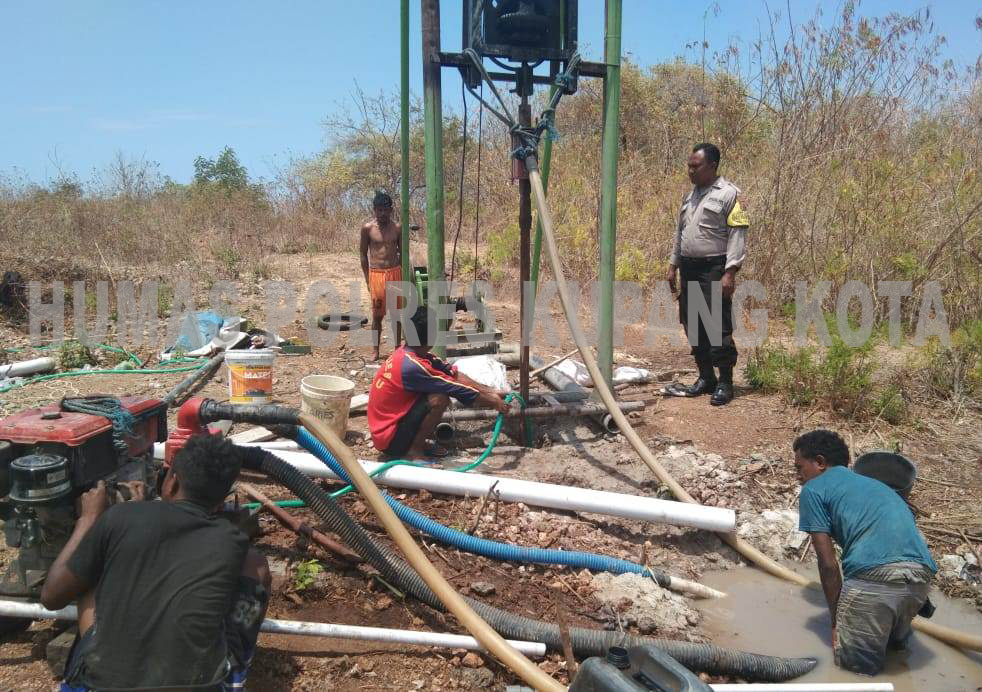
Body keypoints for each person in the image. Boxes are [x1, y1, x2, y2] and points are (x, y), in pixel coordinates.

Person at [41, 434, 271, 691]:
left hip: (102, 685)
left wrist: (89, 520)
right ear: (222, 499)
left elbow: (52, 597)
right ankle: (233, 680)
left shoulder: (119, 518)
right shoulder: (233, 540)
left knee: (91, 568)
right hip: (200, 685)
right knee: (255, 565)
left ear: (172, 481)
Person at [793, 429, 937, 676]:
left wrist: (837, 620)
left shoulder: (813, 489)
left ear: (819, 462)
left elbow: (828, 564)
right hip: (920, 579)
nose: (798, 477)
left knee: (855, 674)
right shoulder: (877, 486)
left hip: (874, 577)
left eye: (799, 468)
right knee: (895, 653)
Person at [367, 305, 510, 460]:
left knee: (438, 392)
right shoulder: (412, 366)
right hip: (389, 440)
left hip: (389, 430)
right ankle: (413, 451)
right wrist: (494, 402)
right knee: (439, 398)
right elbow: (455, 388)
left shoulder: (412, 354)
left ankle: (414, 443)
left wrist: (491, 392)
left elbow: (453, 374)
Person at [666, 143, 749, 406]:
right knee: (692, 323)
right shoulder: (690, 196)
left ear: (712, 166)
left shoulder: (730, 195)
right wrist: (673, 265)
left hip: (714, 267)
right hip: (689, 268)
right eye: (688, 165)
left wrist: (730, 272)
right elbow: (680, 233)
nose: (689, 171)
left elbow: (738, 235)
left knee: (716, 326)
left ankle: (725, 382)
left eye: (695, 166)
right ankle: (706, 377)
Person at [360, 190, 403, 361]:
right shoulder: (368, 229)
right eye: (379, 210)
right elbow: (363, 254)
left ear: (391, 210)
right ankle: (375, 350)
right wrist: (367, 278)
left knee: (396, 314)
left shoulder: (397, 228)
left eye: (386, 210)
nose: (382, 213)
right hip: (376, 275)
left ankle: (397, 348)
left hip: (394, 273)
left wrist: (404, 275)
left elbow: (403, 253)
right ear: (374, 210)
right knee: (377, 315)